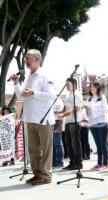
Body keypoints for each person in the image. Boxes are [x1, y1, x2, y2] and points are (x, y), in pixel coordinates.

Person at [10, 49, 55, 185]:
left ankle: (46, 176)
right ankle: (37, 174)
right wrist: (16, 83)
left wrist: (34, 93)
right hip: (30, 119)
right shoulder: (29, 77)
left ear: (36, 58)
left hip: (43, 119)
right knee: (33, 150)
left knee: (46, 150)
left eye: (27, 58)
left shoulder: (45, 76)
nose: (25, 61)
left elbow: (52, 95)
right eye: (25, 58)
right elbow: (21, 96)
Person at [84, 82, 108, 171]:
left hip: (102, 123)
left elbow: (105, 109)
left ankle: (105, 163)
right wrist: (87, 108)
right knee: (98, 145)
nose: (92, 88)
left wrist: (91, 108)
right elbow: (88, 113)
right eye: (91, 87)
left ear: (98, 88)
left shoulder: (102, 97)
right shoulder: (89, 99)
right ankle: (99, 163)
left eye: (94, 87)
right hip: (93, 124)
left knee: (103, 144)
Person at [59, 78, 83, 170]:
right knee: (68, 143)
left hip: (75, 121)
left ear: (74, 85)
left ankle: (78, 163)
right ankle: (72, 162)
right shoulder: (68, 95)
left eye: (68, 84)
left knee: (75, 143)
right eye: (66, 85)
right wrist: (56, 113)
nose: (66, 86)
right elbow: (64, 109)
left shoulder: (77, 95)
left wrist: (63, 114)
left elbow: (77, 109)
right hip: (68, 121)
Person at [52, 97, 64, 168]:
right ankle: (55, 162)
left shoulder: (58, 100)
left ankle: (60, 161)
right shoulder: (50, 99)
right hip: (51, 122)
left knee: (58, 143)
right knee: (53, 144)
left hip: (57, 121)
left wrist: (60, 125)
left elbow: (62, 112)